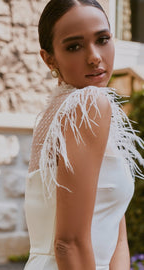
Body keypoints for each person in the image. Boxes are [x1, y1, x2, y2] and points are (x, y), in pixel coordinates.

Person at [24, 1, 144, 270]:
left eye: (102, 39)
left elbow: (117, 235)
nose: (94, 57)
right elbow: (70, 244)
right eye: (74, 46)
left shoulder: (58, 112)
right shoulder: (86, 106)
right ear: (49, 58)